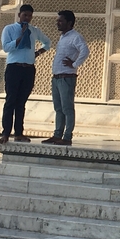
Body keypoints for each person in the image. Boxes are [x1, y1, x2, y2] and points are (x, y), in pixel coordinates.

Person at [0, 4, 51, 144]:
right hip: (14, 68)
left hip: (28, 69)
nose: (27, 18)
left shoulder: (34, 31)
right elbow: (6, 47)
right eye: (24, 15)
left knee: (21, 103)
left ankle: (19, 133)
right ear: (19, 15)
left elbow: (47, 42)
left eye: (29, 16)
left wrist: (38, 53)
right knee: (11, 101)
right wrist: (20, 37)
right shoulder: (9, 29)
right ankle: (5, 133)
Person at [42, 10, 90, 147]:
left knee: (67, 108)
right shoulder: (63, 37)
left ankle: (67, 136)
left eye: (61, 21)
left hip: (66, 77)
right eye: (58, 20)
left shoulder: (75, 37)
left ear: (69, 23)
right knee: (58, 108)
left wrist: (74, 64)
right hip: (57, 77)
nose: (58, 22)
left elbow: (85, 51)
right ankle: (57, 135)